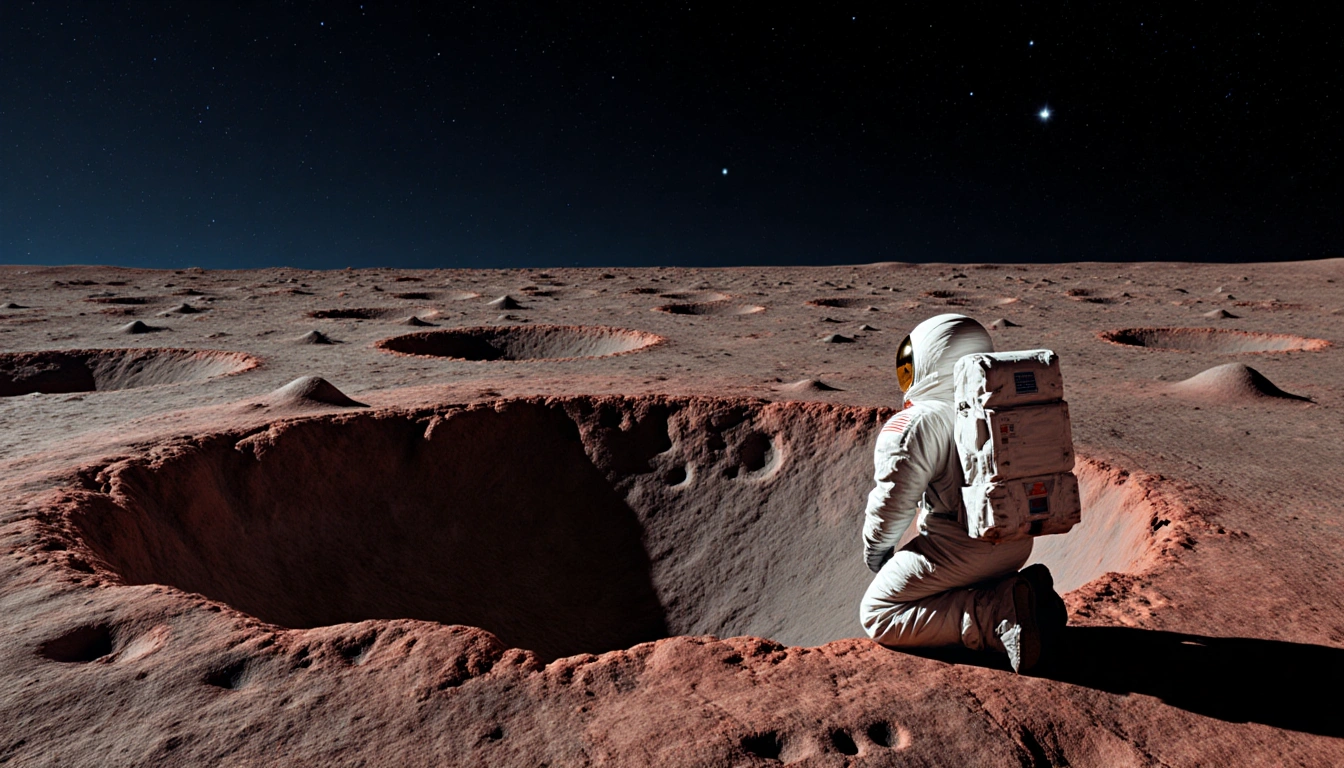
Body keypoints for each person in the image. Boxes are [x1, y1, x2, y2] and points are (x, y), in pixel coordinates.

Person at [859, 313, 1067, 673]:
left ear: (927, 362)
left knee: (878, 612)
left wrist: (876, 549)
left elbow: (893, 500)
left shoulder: (919, 421)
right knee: (940, 579)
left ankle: (995, 618)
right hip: (1016, 541)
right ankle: (1022, 592)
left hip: (961, 547)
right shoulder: (998, 406)